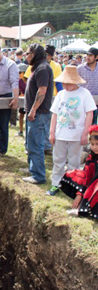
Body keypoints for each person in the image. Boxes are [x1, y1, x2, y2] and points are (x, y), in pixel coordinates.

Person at [46, 66, 96, 196]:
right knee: (58, 160)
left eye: (68, 83)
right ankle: (55, 183)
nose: (65, 85)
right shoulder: (61, 94)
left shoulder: (84, 93)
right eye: (64, 82)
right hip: (60, 134)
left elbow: (89, 113)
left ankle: (72, 185)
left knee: (74, 162)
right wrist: (52, 132)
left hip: (76, 135)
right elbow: (55, 114)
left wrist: (86, 132)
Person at [22, 44, 54, 184]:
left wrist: (34, 109)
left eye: (28, 53)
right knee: (31, 144)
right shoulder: (38, 67)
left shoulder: (42, 68)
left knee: (36, 145)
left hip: (38, 113)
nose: (26, 56)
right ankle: (32, 169)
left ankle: (38, 175)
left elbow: (42, 90)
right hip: (34, 113)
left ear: (34, 54)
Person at [59, 125, 98, 218]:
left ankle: (84, 210)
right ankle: (85, 202)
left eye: (97, 144)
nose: (95, 147)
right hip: (92, 184)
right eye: (92, 144)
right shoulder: (91, 157)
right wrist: (79, 194)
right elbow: (87, 175)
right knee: (75, 174)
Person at [77, 47, 98, 124]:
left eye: (90, 55)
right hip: (84, 102)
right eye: (87, 55)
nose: (88, 57)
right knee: (84, 124)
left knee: (94, 126)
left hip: (97, 101)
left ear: (96, 57)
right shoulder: (79, 68)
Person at [15, 63, 28, 137]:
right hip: (23, 100)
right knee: (21, 115)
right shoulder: (19, 81)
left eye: (19, 72)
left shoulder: (30, 79)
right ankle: (20, 130)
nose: (18, 74)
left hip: (30, 100)